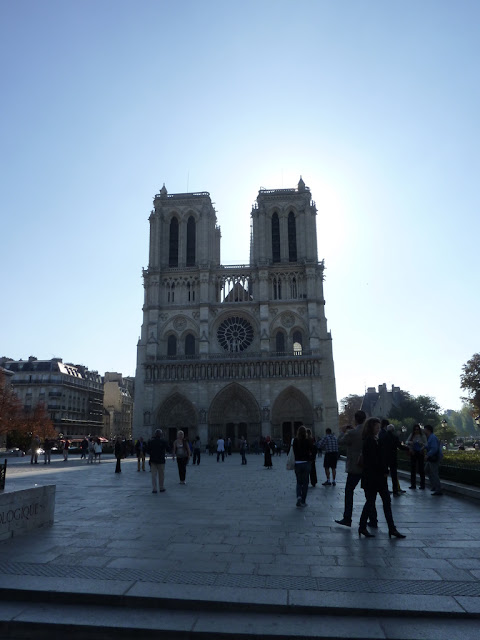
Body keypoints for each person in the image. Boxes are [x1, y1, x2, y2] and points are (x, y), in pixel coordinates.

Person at [358, 417, 406, 539]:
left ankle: (391, 528)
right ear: (371, 428)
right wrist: (384, 470)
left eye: (379, 427)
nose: (379, 429)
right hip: (374, 477)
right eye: (377, 427)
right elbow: (374, 460)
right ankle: (364, 527)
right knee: (373, 502)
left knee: (382, 502)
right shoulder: (370, 441)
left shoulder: (374, 439)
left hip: (376, 477)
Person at [335, 411, 377, 528]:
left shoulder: (352, 433)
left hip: (355, 467)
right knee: (369, 494)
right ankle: (373, 519)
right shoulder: (369, 432)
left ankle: (347, 518)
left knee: (349, 492)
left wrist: (342, 431)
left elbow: (340, 441)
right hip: (367, 467)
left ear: (355, 419)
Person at [291, 425, 315, 507]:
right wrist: (311, 459)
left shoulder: (295, 440)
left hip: (298, 463)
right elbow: (313, 450)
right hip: (306, 463)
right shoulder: (308, 440)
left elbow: (292, 451)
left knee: (299, 482)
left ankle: (299, 497)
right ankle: (303, 501)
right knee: (305, 483)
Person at [383, 424, 408, 495]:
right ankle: (395, 490)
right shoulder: (395, 437)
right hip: (393, 457)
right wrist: (408, 448)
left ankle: (385, 489)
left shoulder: (383, 437)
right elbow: (400, 447)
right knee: (394, 474)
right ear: (393, 430)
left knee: (385, 474)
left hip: (385, 457)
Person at [406, 424, 427, 490]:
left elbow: (426, 444)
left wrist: (421, 444)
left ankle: (422, 485)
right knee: (413, 469)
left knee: (421, 469)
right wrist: (410, 442)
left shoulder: (422, 435)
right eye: (415, 429)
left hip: (420, 452)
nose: (416, 431)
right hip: (413, 452)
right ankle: (413, 484)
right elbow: (406, 442)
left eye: (417, 429)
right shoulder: (412, 435)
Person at [424, 424, 443, 496]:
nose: (423, 431)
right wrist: (424, 446)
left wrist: (428, 455)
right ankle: (434, 485)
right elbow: (429, 446)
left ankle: (438, 489)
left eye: (425, 429)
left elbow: (434, 448)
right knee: (427, 470)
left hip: (434, 458)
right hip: (431, 458)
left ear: (428, 430)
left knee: (434, 473)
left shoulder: (432, 437)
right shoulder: (430, 437)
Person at [148, 429, 169, 493]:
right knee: (161, 475)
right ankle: (161, 487)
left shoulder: (151, 442)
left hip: (153, 460)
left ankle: (154, 488)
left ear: (155, 434)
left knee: (153, 475)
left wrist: (152, 453)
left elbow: (147, 450)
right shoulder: (163, 441)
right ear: (161, 434)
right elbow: (168, 449)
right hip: (161, 460)